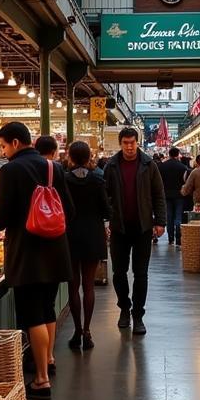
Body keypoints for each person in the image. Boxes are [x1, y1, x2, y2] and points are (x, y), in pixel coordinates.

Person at [0, 121, 73, 399]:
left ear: (15, 143)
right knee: (47, 307)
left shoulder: (10, 170)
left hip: (27, 253)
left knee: (31, 314)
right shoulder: (54, 168)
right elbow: (68, 210)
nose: (2, 152)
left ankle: (40, 379)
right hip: (55, 248)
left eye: (2, 146)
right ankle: (48, 359)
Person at [103, 127, 165, 335]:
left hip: (143, 228)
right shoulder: (111, 166)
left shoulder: (149, 165)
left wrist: (160, 221)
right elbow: (105, 196)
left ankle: (138, 315)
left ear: (137, 143)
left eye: (132, 143)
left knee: (141, 274)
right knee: (118, 273)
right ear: (120, 144)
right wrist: (106, 220)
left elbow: (158, 194)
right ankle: (124, 308)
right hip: (119, 228)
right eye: (125, 143)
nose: (129, 147)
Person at [64, 140, 111, 351]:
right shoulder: (97, 180)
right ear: (89, 157)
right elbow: (106, 210)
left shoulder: (64, 180)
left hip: (70, 235)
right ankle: (87, 331)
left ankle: (75, 330)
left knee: (73, 286)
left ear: (71, 157)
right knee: (89, 285)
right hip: (93, 234)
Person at [159, 146, 188, 246]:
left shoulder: (162, 166)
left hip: (166, 195)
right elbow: (185, 181)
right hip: (179, 195)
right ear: (177, 154)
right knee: (178, 216)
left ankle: (170, 238)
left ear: (169, 154)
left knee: (169, 216)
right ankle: (179, 239)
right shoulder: (183, 167)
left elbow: (160, 182)